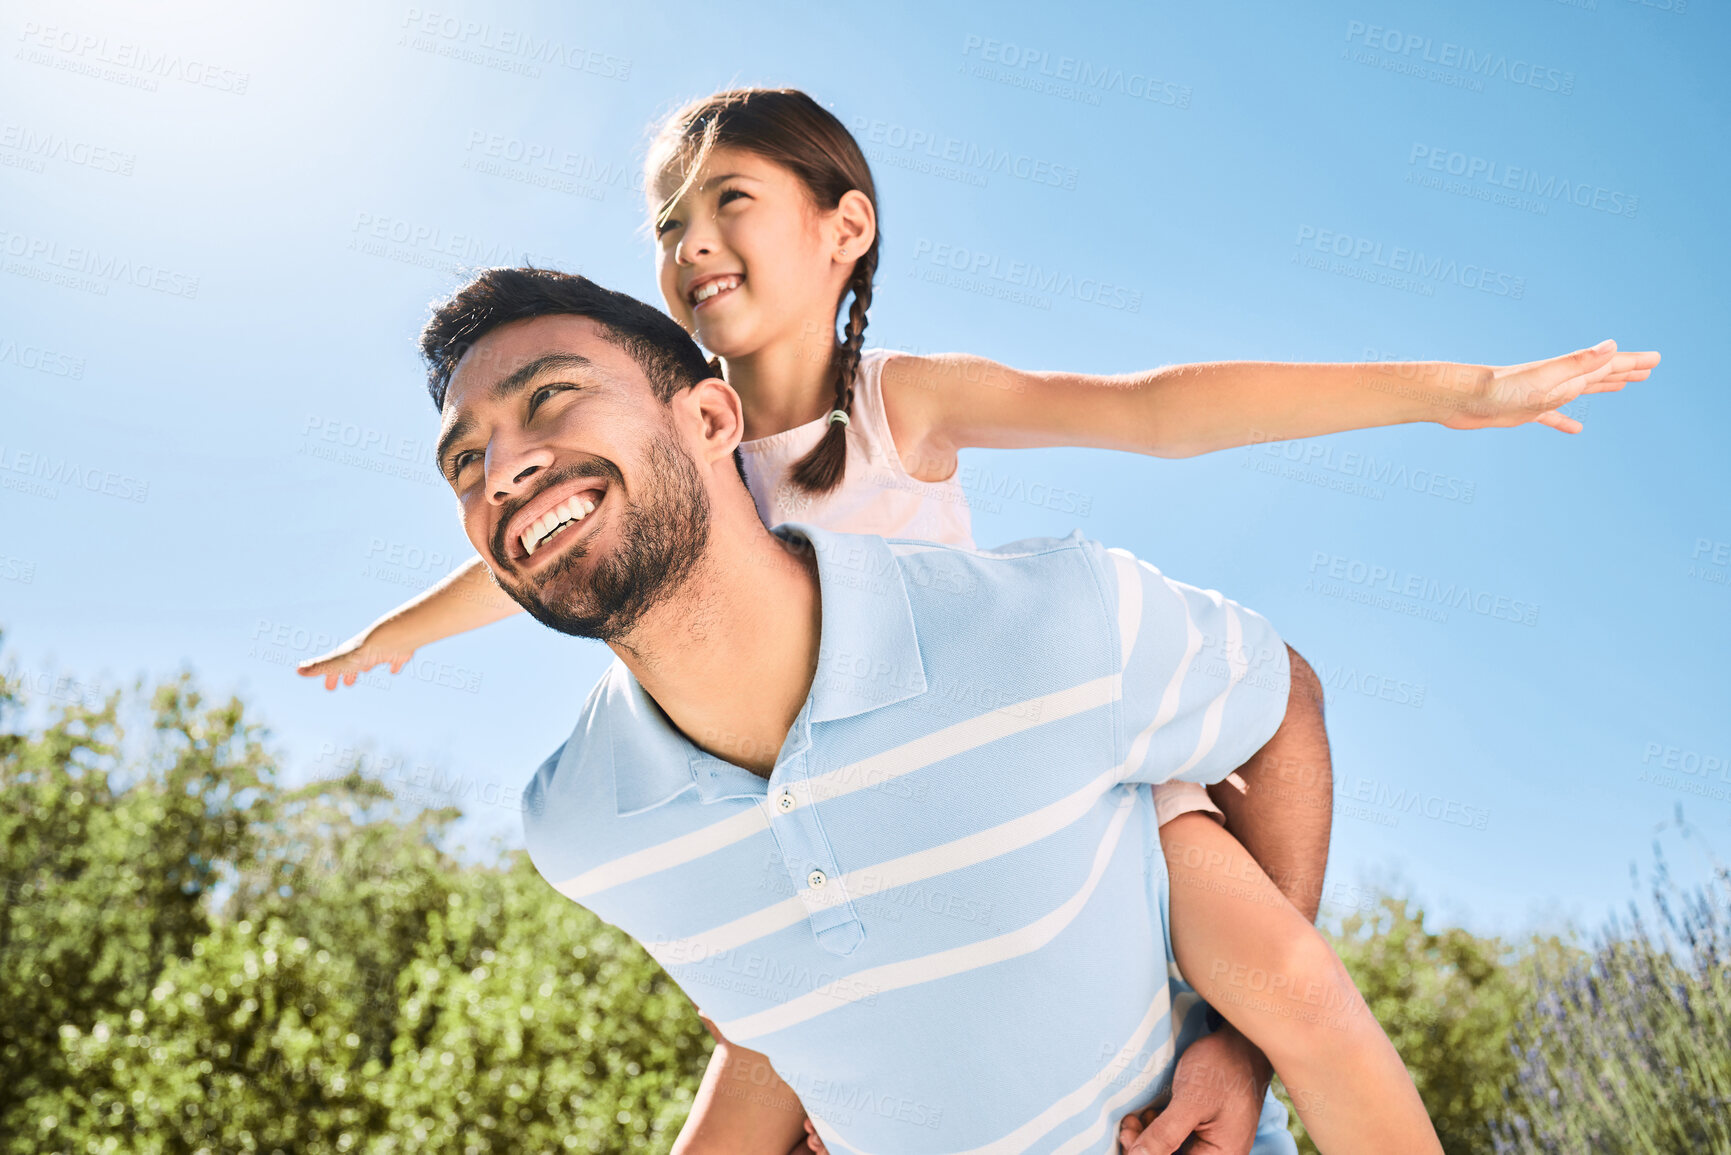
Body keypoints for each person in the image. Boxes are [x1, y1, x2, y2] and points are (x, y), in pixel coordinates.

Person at [301, 89, 1654, 1151]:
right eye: (665, 220)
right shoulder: (654, 466)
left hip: (1047, 778)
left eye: (728, 200)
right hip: (826, 837)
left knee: (1288, 984)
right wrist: (396, 634)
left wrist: (1445, 389)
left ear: (846, 226)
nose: (689, 241)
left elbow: (1151, 411)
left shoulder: (899, 401)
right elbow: (532, 546)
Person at [409, 264, 1443, 1154]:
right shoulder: (579, 828)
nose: (504, 470)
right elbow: (773, 1022)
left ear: (713, 417)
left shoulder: (1049, 628)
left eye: (551, 400)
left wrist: (1244, 1038)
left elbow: (1282, 703)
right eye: (466, 460)